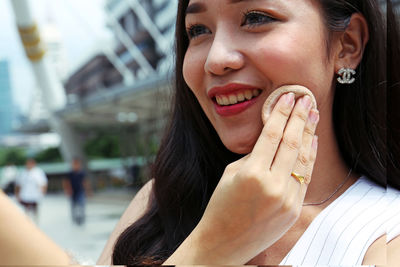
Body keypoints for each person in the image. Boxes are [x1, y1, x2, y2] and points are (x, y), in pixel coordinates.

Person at [0, 0, 399, 265]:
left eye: (256, 18)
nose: (216, 59)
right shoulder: (160, 202)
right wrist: (212, 246)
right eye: (197, 31)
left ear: (347, 44)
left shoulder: (384, 236)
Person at [62, 158, 89, 225]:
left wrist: (87, 190)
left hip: (80, 191)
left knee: (81, 205)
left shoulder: (82, 173)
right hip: (72, 192)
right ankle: (74, 219)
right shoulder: (70, 173)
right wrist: (67, 190)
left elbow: (84, 182)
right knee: (73, 206)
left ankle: (82, 218)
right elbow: (66, 182)